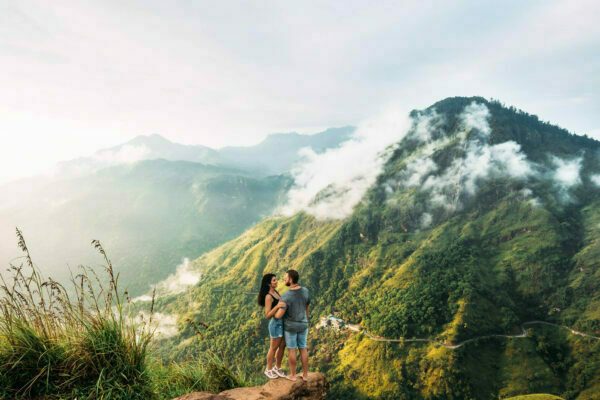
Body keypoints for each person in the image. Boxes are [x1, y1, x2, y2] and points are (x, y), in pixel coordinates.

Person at [275, 269, 310, 382]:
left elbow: (279, 315)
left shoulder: (286, 296)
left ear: (290, 279)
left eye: (285, 278)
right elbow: (306, 307)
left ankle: (293, 375)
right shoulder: (305, 291)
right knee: (303, 349)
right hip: (304, 324)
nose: (284, 279)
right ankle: (305, 375)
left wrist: (275, 308)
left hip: (290, 328)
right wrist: (306, 320)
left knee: (292, 350)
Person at [257, 273, 287, 379]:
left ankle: (277, 368)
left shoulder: (276, 292)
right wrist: (278, 306)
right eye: (274, 280)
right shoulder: (268, 296)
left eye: (276, 280)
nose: (276, 281)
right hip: (275, 324)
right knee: (273, 348)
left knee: (282, 346)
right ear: (269, 284)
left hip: (282, 323)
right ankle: (268, 369)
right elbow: (268, 315)